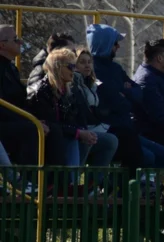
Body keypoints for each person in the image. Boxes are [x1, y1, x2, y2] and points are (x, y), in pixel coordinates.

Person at [87, 24, 164, 168]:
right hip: (110, 130)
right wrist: (125, 93)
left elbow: (138, 92)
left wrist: (124, 92)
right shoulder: (93, 69)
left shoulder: (115, 68)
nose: (118, 47)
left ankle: (142, 187)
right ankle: (124, 189)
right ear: (105, 44)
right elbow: (116, 101)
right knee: (147, 157)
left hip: (127, 128)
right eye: (115, 43)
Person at [27, 48, 95, 171]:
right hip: (45, 137)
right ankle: (67, 184)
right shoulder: (41, 91)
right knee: (74, 140)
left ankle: (76, 181)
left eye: (74, 66)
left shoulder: (67, 90)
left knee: (103, 141)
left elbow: (71, 119)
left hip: (62, 132)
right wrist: (78, 133)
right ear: (58, 67)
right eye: (70, 66)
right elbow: (51, 124)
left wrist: (82, 132)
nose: (74, 70)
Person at [72, 47, 135, 171]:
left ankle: (93, 185)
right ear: (74, 64)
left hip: (96, 126)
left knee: (125, 134)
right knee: (115, 137)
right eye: (82, 62)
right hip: (84, 128)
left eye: (89, 62)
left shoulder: (93, 84)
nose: (87, 65)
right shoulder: (74, 84)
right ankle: (73, 182)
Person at [0, 24, 45, 166]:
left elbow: (19, 99)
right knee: (32, 130)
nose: (20, 42)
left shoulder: (11, 67)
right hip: (4, 123)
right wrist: (30, 121)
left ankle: (56, 181)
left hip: (15, 120)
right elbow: (3, 107)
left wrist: (36, 118)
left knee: (53, 127)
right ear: (2, 45)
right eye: (15, 39)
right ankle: (29, 180)